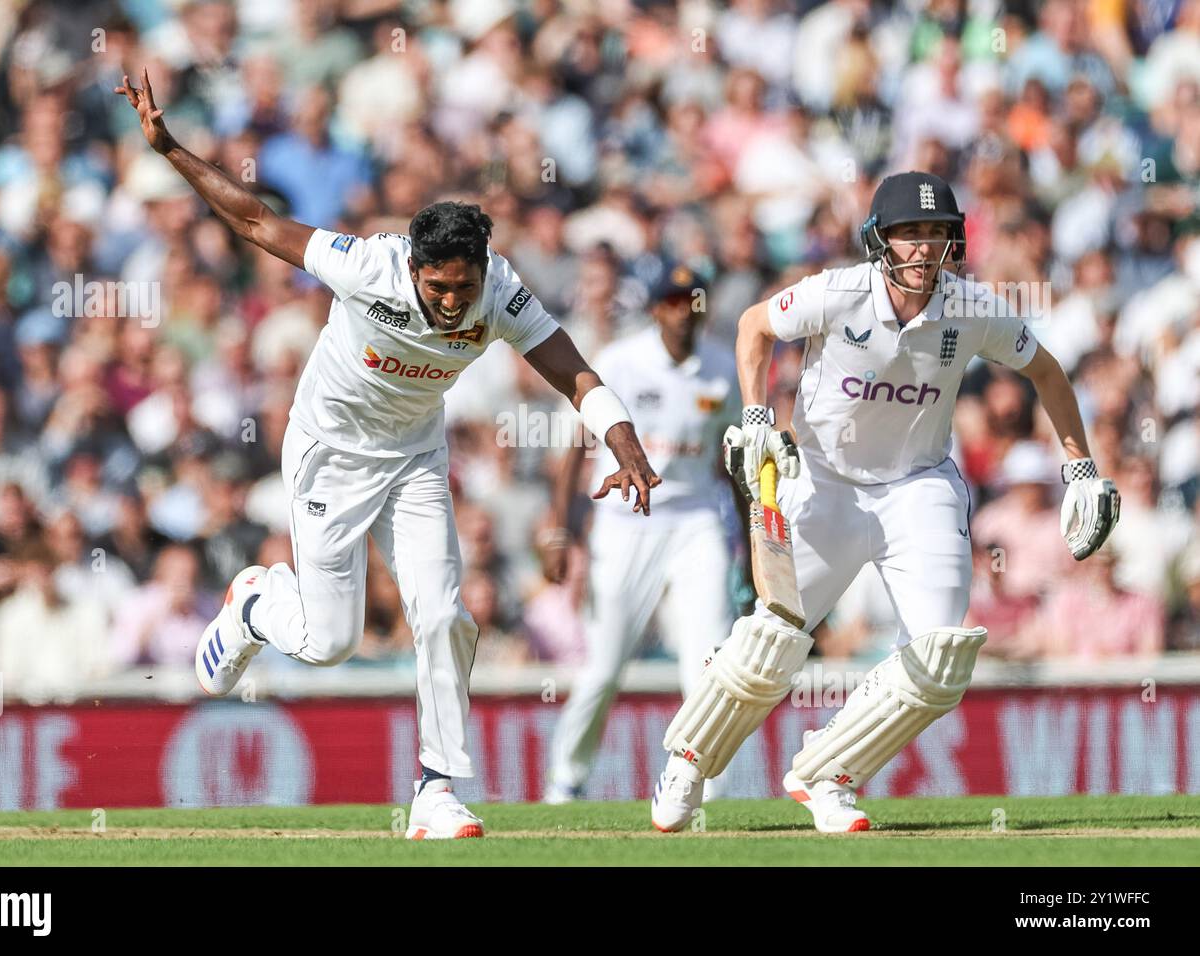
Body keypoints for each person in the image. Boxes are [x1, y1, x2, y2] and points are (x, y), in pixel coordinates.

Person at [116, 70, 661, 839]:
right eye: (438, 285)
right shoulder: (368, 263)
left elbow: (569, 367)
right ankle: (253, 606)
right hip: (329, 452)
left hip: (412, 456)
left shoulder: (498, 291)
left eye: (461, 287)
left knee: (442, 612)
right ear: (412, 266)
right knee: (329, 644)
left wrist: (622, 436)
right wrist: (169, 146)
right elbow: (256, 223)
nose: (449, 302)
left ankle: (436, 790)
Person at [650, 171, 1121, 834]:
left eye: (936, 234)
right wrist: (758, 416)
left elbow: (1044, 369)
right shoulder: (839, 292)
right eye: (910, 234)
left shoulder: (969, 307)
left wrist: (1079, 466)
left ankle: (826, 776)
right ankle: (687, 765)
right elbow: (757, 327)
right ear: (881, 241)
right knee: (773, 641)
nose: (924, 249)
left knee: (940, 658)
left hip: (917, 485)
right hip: (823, 480)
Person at [543, 264, 739, 802]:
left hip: (697, 521)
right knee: (603, 668)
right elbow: (574, 452)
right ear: (656, 308)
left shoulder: (722, 367)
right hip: (625, 523)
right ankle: (567, 779)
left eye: (692, 300)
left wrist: (749, 546)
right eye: (672, 301)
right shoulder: (620, 362)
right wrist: (561, 532)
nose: (683, 310)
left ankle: (701, 783)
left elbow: (731, 467)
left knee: (706, 665)